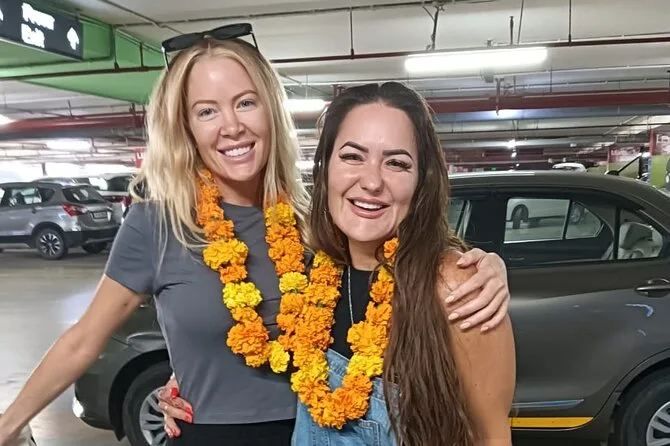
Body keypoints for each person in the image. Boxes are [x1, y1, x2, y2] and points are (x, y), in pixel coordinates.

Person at [0, 25, 510, 446]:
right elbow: (82, 341)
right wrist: (8, 424)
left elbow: (384, 286)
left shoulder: (315, 224)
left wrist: (487, 265)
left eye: (245, 103)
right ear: (186, 127)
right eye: (207, 111)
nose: (231, 127)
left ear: (270, 109)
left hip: (314, 431)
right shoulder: (158, 223)